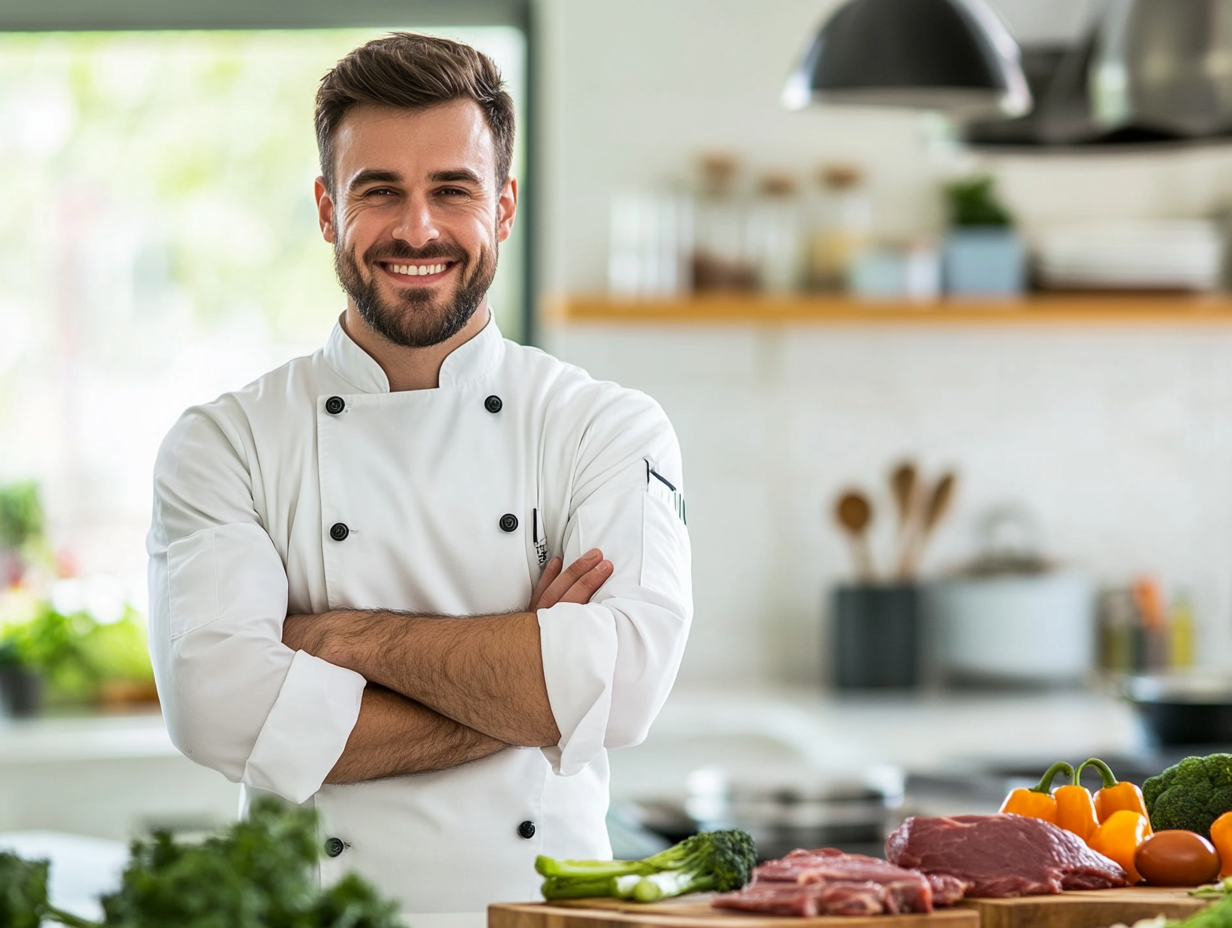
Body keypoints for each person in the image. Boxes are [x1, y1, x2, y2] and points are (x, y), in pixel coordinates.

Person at [146, 32, 692, 913]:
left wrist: (345, 642)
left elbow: (621, 693)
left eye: (452, 189)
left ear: (504, 208)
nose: (417, 229)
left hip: (535, 916)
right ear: (327, 210)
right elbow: (220, 713)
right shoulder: (226, 443)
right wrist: (532, 684)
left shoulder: (603, 426)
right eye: (380, 192)